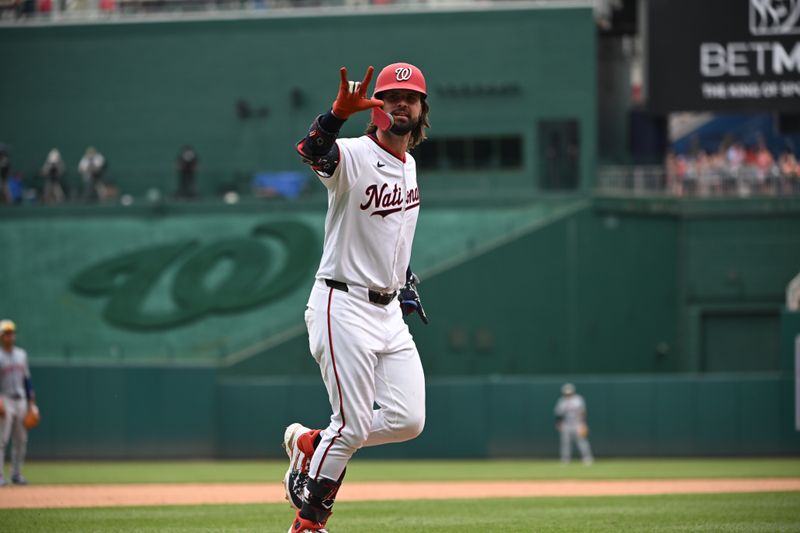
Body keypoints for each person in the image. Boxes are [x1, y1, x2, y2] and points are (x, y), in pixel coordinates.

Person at [282, 62, 431, 533]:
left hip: (387, 313)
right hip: (341, 304)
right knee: (351, 428)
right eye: (390, 96)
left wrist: (401, 279)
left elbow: (391, 236)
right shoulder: (354, 155)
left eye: (409, 97)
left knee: (409, 419)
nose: (400, 103)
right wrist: (333, 116)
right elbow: (313, 151)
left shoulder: (408, 167)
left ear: (422, 109)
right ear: (377, 108)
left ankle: (311, 442)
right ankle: (309, 521)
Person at [0, 319, 37, 486]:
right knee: (2, 439)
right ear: (2, 337)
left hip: (21, 400)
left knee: (21, 439)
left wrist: (32, 404)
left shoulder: (21, 355)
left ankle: (16, 474)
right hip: (5, 399)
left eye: (11, 333)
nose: (10, 336)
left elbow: (27, 380)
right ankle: (0, 476)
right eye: (6, 334)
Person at [554, 383, 593, 465]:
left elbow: (582, 412)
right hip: (566, 424)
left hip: (577, 423)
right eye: (566, 393)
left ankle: (587, 458)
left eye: (569, 393)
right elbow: (559, 414)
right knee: (565, 443)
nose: (568, 394)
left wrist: (583, 423)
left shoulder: (578, 399)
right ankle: (565, 459)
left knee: (582, 442)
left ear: (573, 392)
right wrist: (559, 423)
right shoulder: (562, 401)